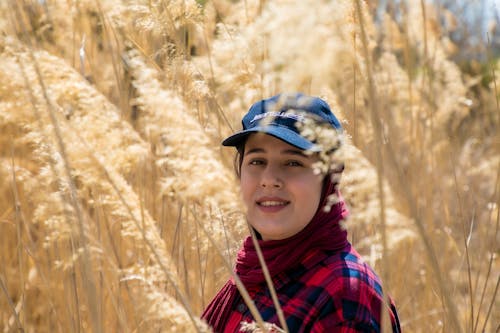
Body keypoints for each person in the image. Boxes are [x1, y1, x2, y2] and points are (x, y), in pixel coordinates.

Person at [202, 93, 401, 332]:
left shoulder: (345, 295)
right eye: (257, 161)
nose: (269, 180)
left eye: (293, 163)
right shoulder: (255, 271)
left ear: (329, 178)